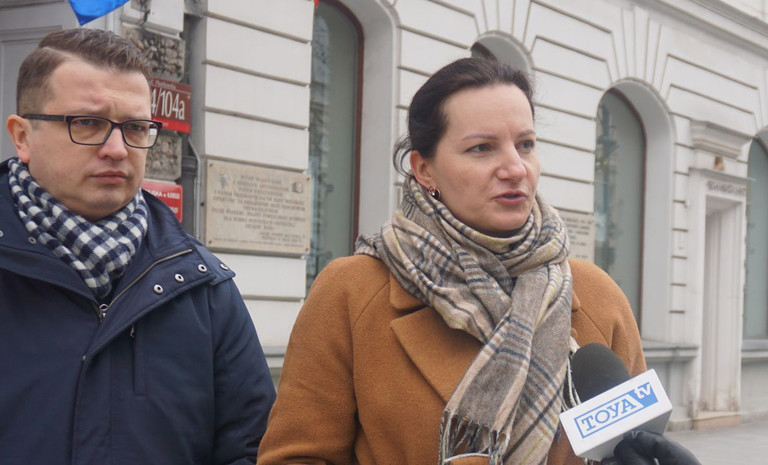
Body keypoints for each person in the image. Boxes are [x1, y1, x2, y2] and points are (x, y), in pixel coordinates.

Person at [257, 57, 646, 465]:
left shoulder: (597, 296)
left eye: (525, 144)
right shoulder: (352, 293)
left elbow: (636, 443)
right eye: (482, 148)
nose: (515, 168)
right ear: (425, 170)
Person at [0, 28, 275, 464]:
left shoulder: (204, 288)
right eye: (87, 123)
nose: (116, 149)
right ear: (22, 136)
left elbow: (251, 447)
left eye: (135, 127)